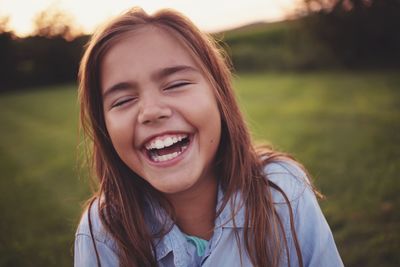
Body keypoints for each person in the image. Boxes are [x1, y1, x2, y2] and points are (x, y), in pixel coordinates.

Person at [74, 7, 344, 267]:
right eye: (123, 100)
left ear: (219, 95)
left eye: (177, 84)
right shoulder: (101, 233)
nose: (151, 112)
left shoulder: (283, 190)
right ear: (104, 127)